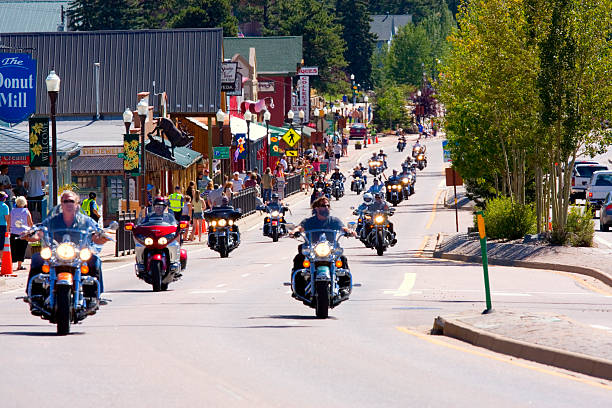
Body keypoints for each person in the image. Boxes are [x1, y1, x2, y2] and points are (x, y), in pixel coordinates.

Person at [25, 190, 111, 294]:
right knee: (36, 259)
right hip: (55, 253)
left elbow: (95, 235)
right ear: (61, 204)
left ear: (77, 203)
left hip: (78, 253)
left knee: (95, 260)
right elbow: (40, 232)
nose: (68, 204)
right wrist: (29, 236)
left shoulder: (85, 221)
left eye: (71, 201)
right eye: (65, 201)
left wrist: (103, 238)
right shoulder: (53, 220)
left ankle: (96, 294)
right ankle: (34, 295)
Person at [290, 197, 354, 296]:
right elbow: (300, 227)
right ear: (316, 208)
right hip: (312, 249)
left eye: (328, 206)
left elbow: (343, 228)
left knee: (342, 260)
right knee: (298, 259)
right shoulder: (309, 221)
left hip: (330, 250)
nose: (326, 208)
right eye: (323, 206)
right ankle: (298, 288)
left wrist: (349, 231)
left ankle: (344, 287)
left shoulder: (333, 221)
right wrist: (294, 231)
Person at [10, 196, 33, 270]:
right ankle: (19, 265)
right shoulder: (26, 211)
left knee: (13, 248)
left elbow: (9, 220)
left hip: (13, 232)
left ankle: (11, 264)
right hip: (23, 233)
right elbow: (30, 222)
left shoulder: (12, 211)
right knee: (22, 249)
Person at [0, 192, 10, 261]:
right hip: (2, 226)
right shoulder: (5, 206)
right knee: (1, 244)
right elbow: (7, 219)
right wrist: (8, 229)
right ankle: (1, 260)